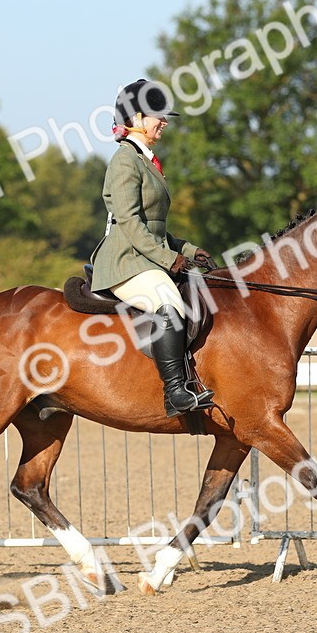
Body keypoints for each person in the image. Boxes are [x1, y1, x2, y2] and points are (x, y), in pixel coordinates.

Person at [89, 79, 217, 417]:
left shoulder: (147, 160)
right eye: (158, 116)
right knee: (168, 298)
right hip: (124, 261)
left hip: (144, 256)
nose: (165, 122)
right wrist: (168, 259)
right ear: (136, 118)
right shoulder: (124, 161)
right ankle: (175, 392)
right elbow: (130, 224)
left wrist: (188, 251)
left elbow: (155, 228)